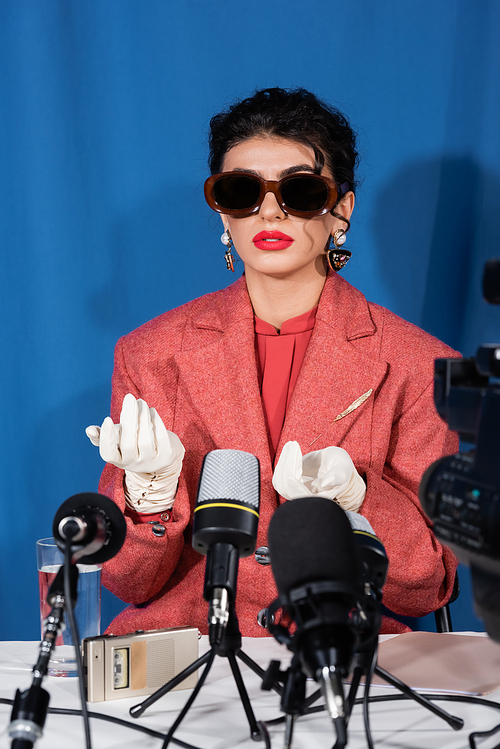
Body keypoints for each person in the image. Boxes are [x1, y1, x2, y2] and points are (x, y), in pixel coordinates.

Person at [87, 87, 458, 637]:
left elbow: (426, 586)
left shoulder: (419, 363)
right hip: (184, 656)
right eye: (242, 190)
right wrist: (148, 497)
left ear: (341, 210)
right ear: (222, 211)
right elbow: (128, 582)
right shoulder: (151, 352)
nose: (269, 209)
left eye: (300, 190)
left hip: (340, 655)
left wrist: (360, 502)